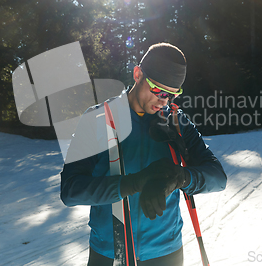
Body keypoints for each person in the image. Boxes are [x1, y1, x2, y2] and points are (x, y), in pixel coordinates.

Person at [60, 43, 227, 266]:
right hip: (109, 253)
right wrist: (133, 183)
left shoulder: (176, 122)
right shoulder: (98, 119)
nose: (164, 101)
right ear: (137, 74)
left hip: (165, 251)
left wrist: (180, 178)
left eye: (171, 95)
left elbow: (218, 177)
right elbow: (71, 190)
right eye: (158, 91)